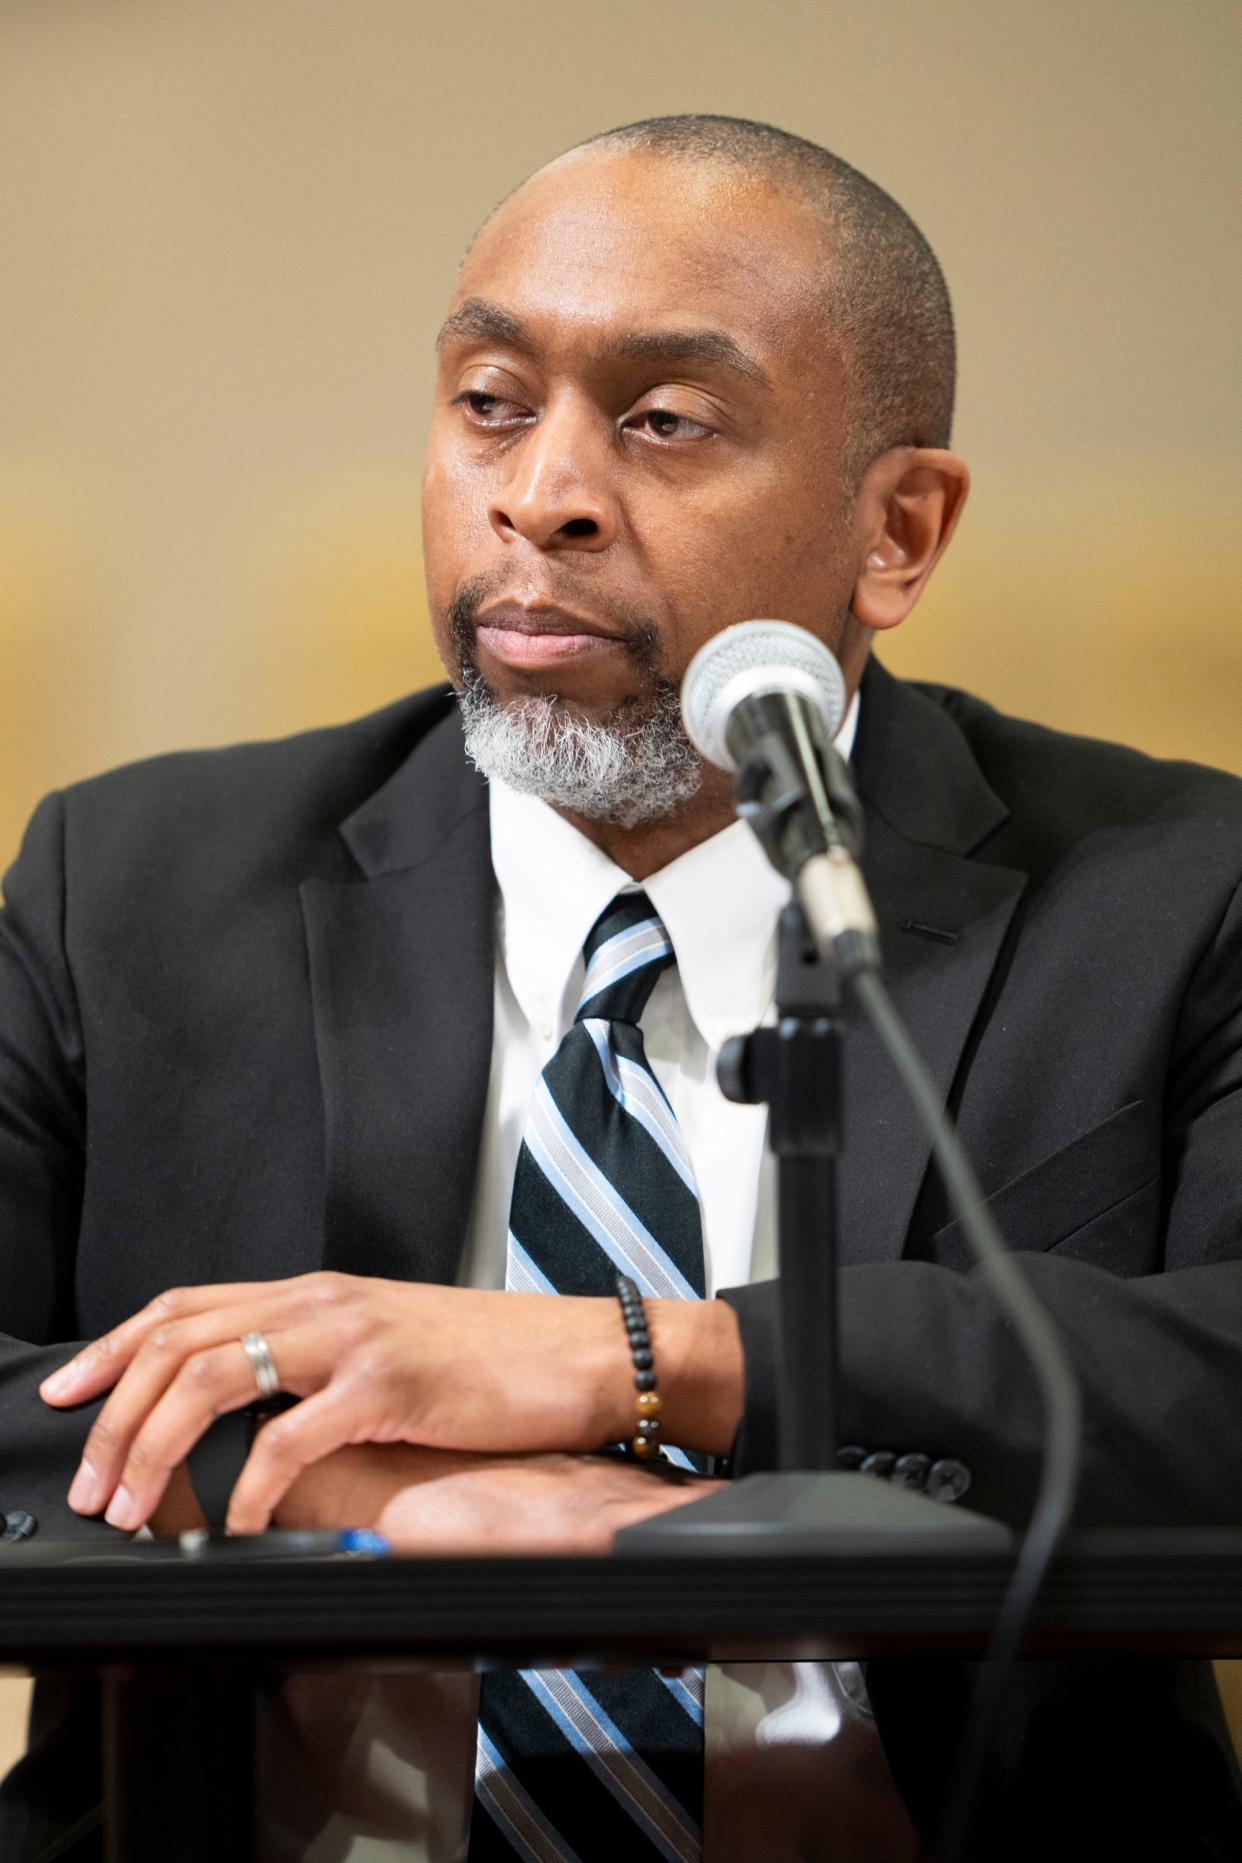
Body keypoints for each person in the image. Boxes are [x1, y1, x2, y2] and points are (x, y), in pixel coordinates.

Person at [2, 113, 1241, 1860]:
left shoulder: (1175, 894)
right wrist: (379, 1496)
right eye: (490, 402)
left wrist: (646, 1362)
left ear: (896, 529)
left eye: (665, 422)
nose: (541, 495)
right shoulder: (126, 888)